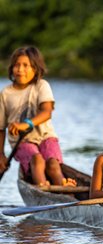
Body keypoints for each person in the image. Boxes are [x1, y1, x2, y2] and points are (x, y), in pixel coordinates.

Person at [0, 46, 76, 187]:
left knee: (52, 164)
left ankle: (65, 192)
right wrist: (1, 155)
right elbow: (0, 128)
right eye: (17, 65)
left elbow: (47, 112)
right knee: (37, 160)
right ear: (11, 68)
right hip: (22, 142)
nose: (20, 69)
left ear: (35, 69)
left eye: (26, 65)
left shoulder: (41, 86)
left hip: (46, 137)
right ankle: (43, 188)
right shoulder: (5, 94)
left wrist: (26, 124)